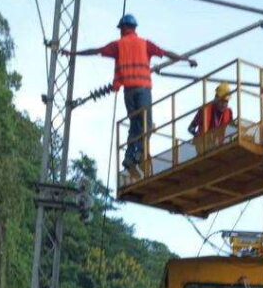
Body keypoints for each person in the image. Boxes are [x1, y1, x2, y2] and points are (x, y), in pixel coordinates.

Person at [68, 14, 196, 177]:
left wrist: (73, 53)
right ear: (134, 28)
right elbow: (167, 53)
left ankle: (129, 158)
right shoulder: (144, 44)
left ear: (123, 28)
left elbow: (95, 51)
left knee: (135, 126)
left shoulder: (118, 45)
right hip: (143, 90)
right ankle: (138, 156)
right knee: (147, 125)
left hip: (128, 93)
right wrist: (187, 59)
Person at [188, 83, 234, 153]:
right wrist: (200, 137)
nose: (224, 104)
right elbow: (191, 128)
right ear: (216, 98)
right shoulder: (205, 109)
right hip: (203, 148)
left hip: (220, 146)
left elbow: (232, 129)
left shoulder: (229, 112)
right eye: (222, 101)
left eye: (226, 102)